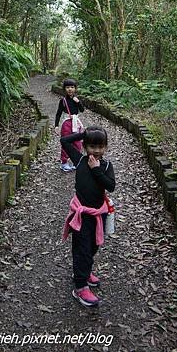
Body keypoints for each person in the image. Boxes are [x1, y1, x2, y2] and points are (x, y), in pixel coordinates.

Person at [61, 126, 115, 307]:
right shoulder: (80, 160)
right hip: (81, 214)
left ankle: (83, 271)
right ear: (85, 147)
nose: (96, 151)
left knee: (93, 246)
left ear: (105, 147)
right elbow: (64, 141)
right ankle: (80, 286)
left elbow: (111, 186)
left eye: (100, 147)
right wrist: (83, 134)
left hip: (98, 214)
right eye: (92, 146)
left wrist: (97, 169)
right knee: (81, 249)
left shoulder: (106, 166)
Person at [54, 78, 85, 172]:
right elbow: (58, 113)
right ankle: (64, 163)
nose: (70, 89)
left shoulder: (76, 100)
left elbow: (82, 110)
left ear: (75, 88)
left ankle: (76, 161)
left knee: (77, 143)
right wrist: (56, 126)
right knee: (66, 143)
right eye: (67, 87)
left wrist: (78, 102)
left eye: (72, 87)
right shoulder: (63, 101)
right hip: (67, 123)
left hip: (76, 123)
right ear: (64, 89)